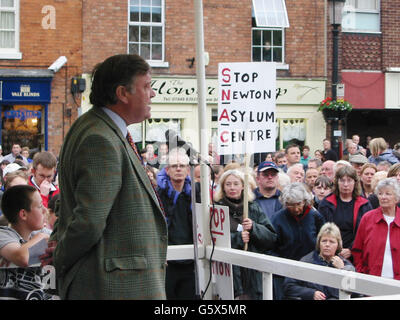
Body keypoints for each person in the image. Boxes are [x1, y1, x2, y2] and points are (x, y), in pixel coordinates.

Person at [49, 54, 167, 300]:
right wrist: (59, 255)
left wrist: (59, 241)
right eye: (146, 86)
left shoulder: (96, 128)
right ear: (122, 93)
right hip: (113, 287)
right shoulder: (100, 138)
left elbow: (69, 205)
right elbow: (89, 220)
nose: (153, 93)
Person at [214, 169, 277, 300]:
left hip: (253, 274)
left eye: (236, 184)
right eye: (228, 184)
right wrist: (237, 239)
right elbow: (213, 240)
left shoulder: (253, 208)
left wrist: (254, 228)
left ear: (243, 186)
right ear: (223, 187)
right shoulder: (217, 209)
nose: (232, 187)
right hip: (230, 274)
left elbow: (271, 237)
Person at [270, 182, 325, 300]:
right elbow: (270, 247)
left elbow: (323, 240)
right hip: (285, 273)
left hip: (311, 272)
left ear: (305, 201)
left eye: (299, 204)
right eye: (291, 205)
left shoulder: (314, 216)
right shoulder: (277, 219)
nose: (296, 209)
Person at [0, 185, 55, 300]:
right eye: (40, 206)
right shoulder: (3, 235)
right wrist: (42, 236)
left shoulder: (39, 234)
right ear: (23, 214)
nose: (45, 210)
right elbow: (22, 257)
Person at [156, 148, 195, 300]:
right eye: (174, 166)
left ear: (188, 170)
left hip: (190, 260)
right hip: (166, 262)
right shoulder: (159, 195)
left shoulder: (195, 194)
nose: (178, 168)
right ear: (167, 170)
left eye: (182, 165)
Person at [283, 222, 355, 300]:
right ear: (319, 243)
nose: (327, 244)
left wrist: (343, 270)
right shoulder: (307, 261)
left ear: (338, 245)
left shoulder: (346, 265)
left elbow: (355, 292)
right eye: (324, 241)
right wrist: (311, 293)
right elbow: (289, 286)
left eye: (332, 242)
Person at [318, 166, 372, 261]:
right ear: (337, 182)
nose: (345, 184)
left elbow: (366, 232)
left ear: (355, 182)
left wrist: (351, 249)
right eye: (342, 180)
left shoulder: (364, 205)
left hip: (355, 254)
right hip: (329, 253)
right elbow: (321, 230)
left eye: (349, 180)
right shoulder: (326, 204)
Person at [352, 178, 400, 280]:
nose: (383, 197)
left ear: (396, 198)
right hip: (372, 279)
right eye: (380, 193)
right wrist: (361, 272)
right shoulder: (368, 218)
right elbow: (357, 249)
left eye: (388, 194)